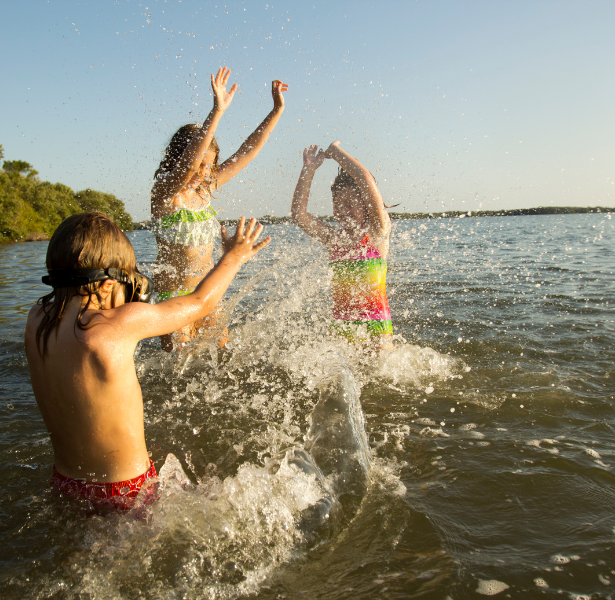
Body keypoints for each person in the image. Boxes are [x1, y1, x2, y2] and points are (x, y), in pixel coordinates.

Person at [24, 211, 270, 511]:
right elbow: (199, 303)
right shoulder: (114, 325)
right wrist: (234, 256)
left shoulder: (36, 320)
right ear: (105, 284)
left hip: (66, 483)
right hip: (126, 489)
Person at [151, 66, 287, 351]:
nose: (203, 172)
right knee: (180, 367)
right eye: (199, 164)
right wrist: (217, 111)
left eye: (209, 165)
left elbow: (246, 153)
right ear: (178, 159)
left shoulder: (205, 189)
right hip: (172, 297)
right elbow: (188, 166)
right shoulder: (164, 193)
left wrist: (275, 111)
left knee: (223, 358)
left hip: (207, 293)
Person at [291, 142, 393, 350]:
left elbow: (365, 180)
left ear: (366, 203)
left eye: (349, 203)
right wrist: (308, 169)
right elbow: (299, 215)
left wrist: (336, 152)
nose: (342, 210)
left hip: (377, 331)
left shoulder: (376, 233)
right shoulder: (333, 239)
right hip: (342, 328)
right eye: (337, 204)